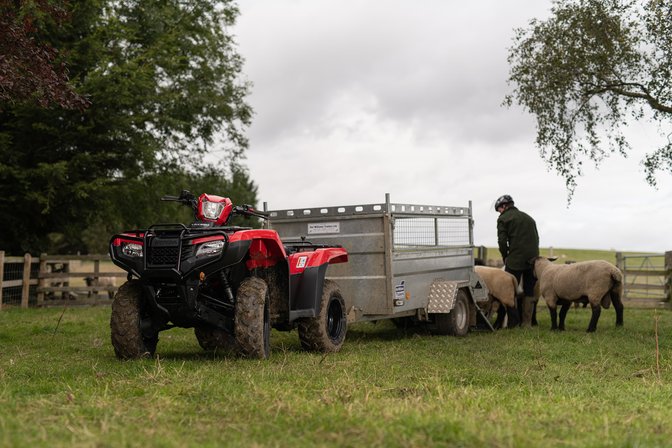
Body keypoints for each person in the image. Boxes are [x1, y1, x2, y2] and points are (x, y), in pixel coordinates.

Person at [494, 194, 540, 327]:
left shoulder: (503, 219)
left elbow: (502, 241)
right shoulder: (529, 218)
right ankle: (527, 323)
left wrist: (505, 256)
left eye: (499, 210)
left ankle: (511, 323)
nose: (499, 213)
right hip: (532, 259)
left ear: (504, 206)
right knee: (529, 290)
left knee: (507, 289)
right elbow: (536, 238)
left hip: (515, 259)